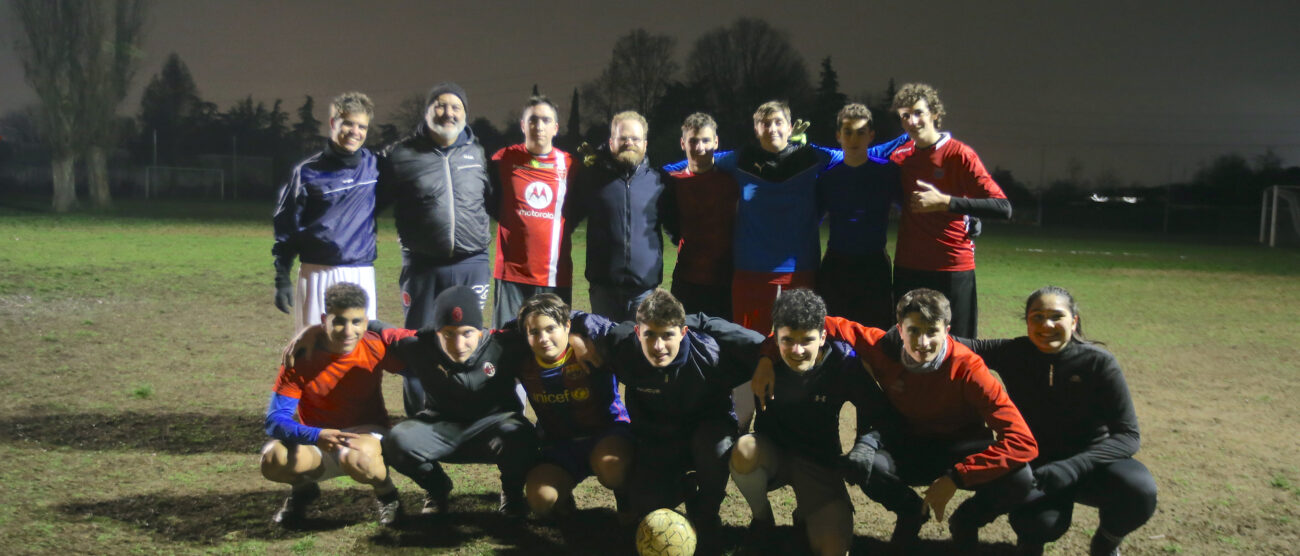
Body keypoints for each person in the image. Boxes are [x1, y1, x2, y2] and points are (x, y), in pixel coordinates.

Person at [753, 288, 1038, 553]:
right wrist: (767, 358)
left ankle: (967, 521)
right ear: (900, 329)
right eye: (913, 331)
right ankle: (910, 511)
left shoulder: (969, 368)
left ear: (947, 331)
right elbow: (811, 322)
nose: (922, 342)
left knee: (1021, 477)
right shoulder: (881, 345)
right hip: (908, 445)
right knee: (867, 464)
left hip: (960, 448)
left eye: (932, 332)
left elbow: (1023, 442)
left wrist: (958, 476)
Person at [667, 101, 906, 334]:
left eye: (778, 122)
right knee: (748, 343)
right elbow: (700, 161)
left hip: (800, 268)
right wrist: (660, 172)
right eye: (765, 123)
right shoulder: (740, 159)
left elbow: (861, 152)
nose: (772, 129)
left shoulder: (812, 156)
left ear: (790, 128)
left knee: (800, 341)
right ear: (756, 129)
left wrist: (916, 137)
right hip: (751, 268)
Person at [957, 286, 1157, 556]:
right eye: (1037, 317)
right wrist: (896, 333)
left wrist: (1073, 467)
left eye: (1056, 316)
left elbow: (1129, 436)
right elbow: (951, 344)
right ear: (1027, 322)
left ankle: (1107, 541)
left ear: (1073, 321)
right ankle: (1030, 541)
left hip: (1091, 463)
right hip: (1040, 468)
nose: (1046, 325)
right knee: (1038, 524)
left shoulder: (1099, 363)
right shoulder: (1014, 352)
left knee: (1139, 492)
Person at [570, 289, 764, 547]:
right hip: (657, 438)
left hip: (706, 433)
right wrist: (572, 336)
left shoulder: (711, 355)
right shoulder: (622, 344)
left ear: (683, 332)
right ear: (638, 333)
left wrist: (767, 361)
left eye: (667, 335)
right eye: (649, 335)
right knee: (644, 503)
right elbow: (564, 317)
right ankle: (685, 486)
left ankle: (707, 513)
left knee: (714, 446)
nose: (658, 346)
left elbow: (768, 346)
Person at [729, 289, 897, 556]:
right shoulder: (763, 361)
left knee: (834, 549)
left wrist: (865, 444)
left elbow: (879, 413)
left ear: (822, 336)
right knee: (743, 451)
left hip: (820, 461)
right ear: (776, 337)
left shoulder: (844, 363)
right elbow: (736, 406)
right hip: (773, 455)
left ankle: (806, 515)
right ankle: (762, 520)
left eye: (806, 340)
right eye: (787, 340)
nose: (796, 350)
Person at [378, 81, 494, 416]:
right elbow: (370, 204)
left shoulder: (478, 153)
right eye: (439, 105)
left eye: (456, 106)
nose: (448, 112)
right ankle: (419, 415)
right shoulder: (399, 156)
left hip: (472, 262)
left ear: (465, 114)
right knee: (418, 344)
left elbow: (496, 202)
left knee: (467, 342)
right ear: (426, 112)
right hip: (422, 266)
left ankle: (463, 413)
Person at [376, 286, 539, 517]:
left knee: (522, 436)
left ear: (480, 332)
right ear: (436, 332)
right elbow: (376, 329)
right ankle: (437, 489)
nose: (458, 344)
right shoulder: (419, 345)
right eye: (448, 334)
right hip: (440, 427)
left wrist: (586, 338)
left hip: (496, 428)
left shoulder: (506, 344)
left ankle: (512, 493)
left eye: (467, 333)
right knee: (397, 441)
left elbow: (555, 322)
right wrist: (318, 334)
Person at [259, 282, 413, 527]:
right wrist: (314, 434)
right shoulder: (301, 356)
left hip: (366, 434)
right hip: (318, 440)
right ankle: (303, 489)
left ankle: (388, 496)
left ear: (366, 321)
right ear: (324, 319)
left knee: (358, 457)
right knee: (273, 459)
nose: (348, 330)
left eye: (357, 322)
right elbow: (275, 421)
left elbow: (419, 361)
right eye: (339, 321)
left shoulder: (374, 346)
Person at [889, 83, 1012, 338]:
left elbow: (1003, 207)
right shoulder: (900, 158)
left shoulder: (960, 155)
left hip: (952, 267)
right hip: (908, 266)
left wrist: (947, 203)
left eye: (918, 112)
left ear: (934, 113)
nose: (912, 120)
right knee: (909, 343)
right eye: (904, 115)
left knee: (959, 347)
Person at [513, 294, 632, 519]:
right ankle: (565, 505)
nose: (543, 338)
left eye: (551, 329)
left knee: (613, 469)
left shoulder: (593, 346)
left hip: (608, 433)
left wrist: (577, 336)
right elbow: (502, 331)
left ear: (567, 326)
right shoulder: (522, 360)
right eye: (534, 332)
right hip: (560, 444)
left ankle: (627, 499)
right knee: (540, 501)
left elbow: (620, 332)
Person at [272, 92, 380, 331]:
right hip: (316, 273)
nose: (355, 131)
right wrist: (282, 276)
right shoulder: (307, 172)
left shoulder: (374, 166)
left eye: (362, 126)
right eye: (348, 123)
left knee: (359, 353)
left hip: (360, 273)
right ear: (333, 123)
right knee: (314, 352)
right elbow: (287, 227)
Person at [567, 111, 670, 321]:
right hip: (604, 290)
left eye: (635, 138)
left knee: (640, 350)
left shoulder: (659, 181)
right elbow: (568, 217)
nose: (629, 143)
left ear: (645, 143)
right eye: (623, 138)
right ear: (611, 141)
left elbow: (675, 225)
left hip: (644, 292)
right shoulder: (591, 177)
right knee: (605, 350)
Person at [488, 96, 576, 327]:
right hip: (511, 274)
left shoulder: (570, 165)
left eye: (546, 120)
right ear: (523, 125)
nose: (539, 126)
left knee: (550, 344)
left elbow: (578, 208)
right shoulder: (503, 159)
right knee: (507, 344)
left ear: (555, 128)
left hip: (553, 274)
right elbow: (489, 199)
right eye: (533, 120)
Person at [815, 103, 900, 329]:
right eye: (848, 132)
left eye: (861, 133)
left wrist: (966, 217)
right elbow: (811, 218)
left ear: (871, 136)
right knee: (835, 333)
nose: (854, 139)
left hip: (874, 266)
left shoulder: (888, 172)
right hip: (836, 266)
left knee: (875, 334)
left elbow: (913, 207)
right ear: (838, 136)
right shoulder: (827, 177)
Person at [660, 112, 737, 320]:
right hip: (687, 278)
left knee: (724, 345)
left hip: (726, 279)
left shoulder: (732, 181)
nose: (700, 147)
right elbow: (669, 223)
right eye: (693, 141)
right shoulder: (672, 182)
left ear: (716, 142)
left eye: (705, 140)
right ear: (683, 143)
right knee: (686, 340)